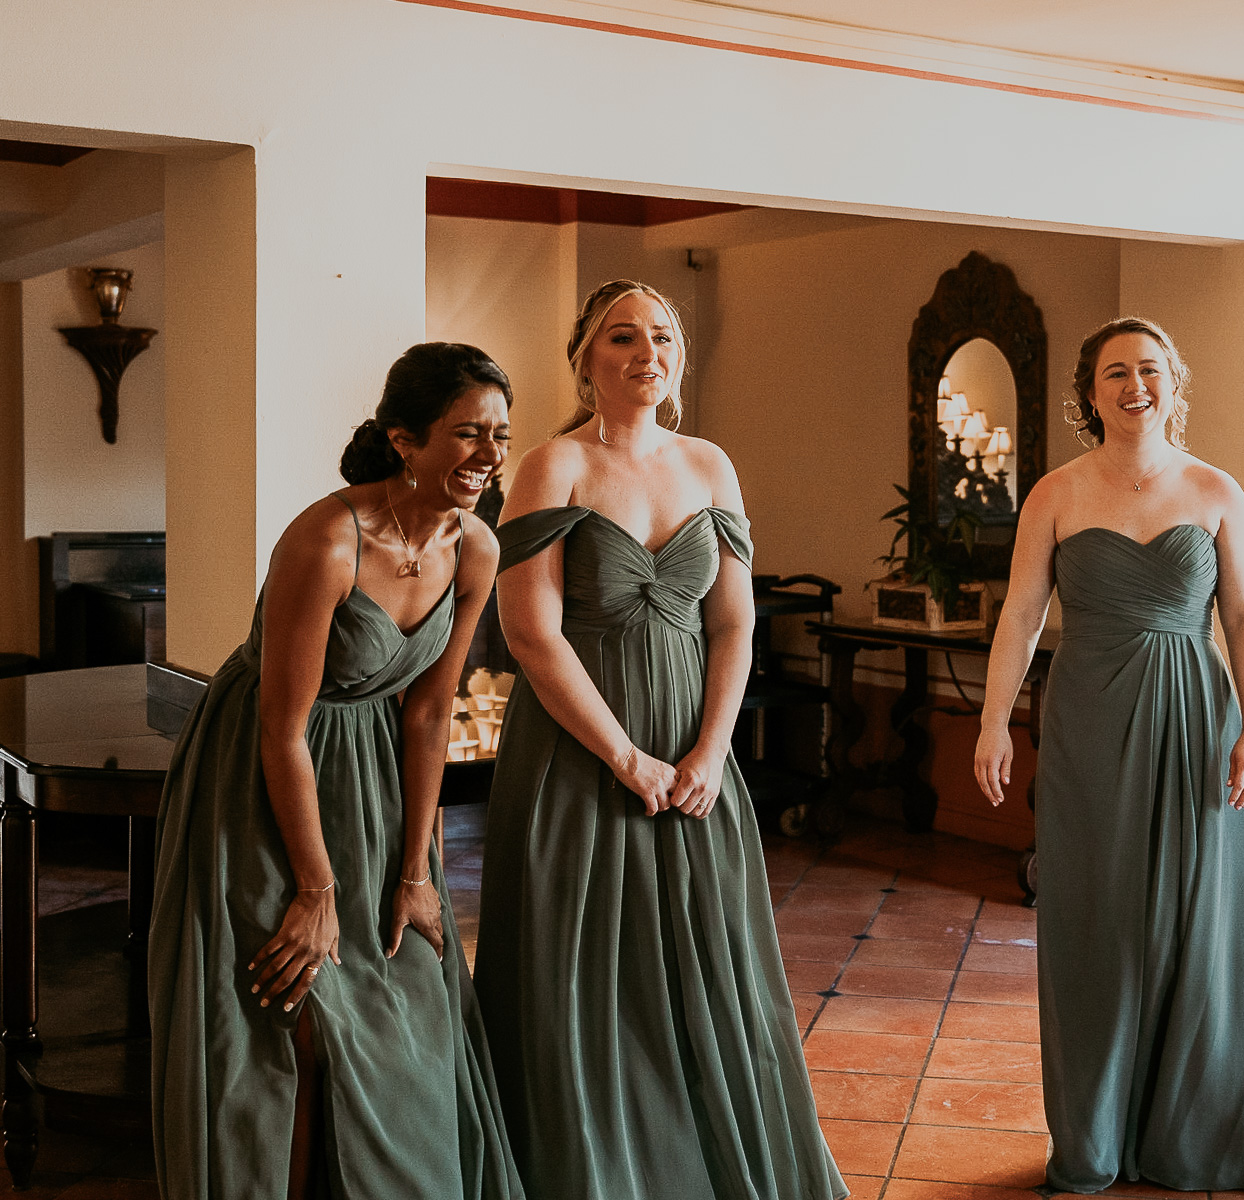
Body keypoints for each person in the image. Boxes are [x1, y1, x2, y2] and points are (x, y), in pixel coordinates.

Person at [472, 280, 846, 1200]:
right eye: (622, 337)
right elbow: (529, 633)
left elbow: (733, 625)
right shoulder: (551, 466)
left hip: (692, 739)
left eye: (664, 338)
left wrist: (712, 750)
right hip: (575, 743)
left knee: (705, 957)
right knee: (580, 961)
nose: (647, 352)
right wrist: (621, 754)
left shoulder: (712, 467)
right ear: (585, 358)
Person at [149, 343, 523, 1199]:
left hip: (376, 779)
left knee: (402, 1000)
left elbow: (429, 713)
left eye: (500, 435)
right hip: (261, 773)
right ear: (405, 439)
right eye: (467, 434)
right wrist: (317, 891)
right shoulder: (326, 539)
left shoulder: (477, 550)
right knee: (291, 1012)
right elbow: (282, 729)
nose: (489, 455)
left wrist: (416, 870)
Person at [973, 316, 1244, 1195]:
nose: (1136, 385)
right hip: (1087, 719)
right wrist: (992, 721)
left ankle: (1191, 1128)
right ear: (1089, 393)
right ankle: (1094, 1137)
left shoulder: (1215, 491)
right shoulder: (1055, 493)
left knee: (1196, 919)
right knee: (1095, 923)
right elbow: (1020, 615)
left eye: (1151, 370)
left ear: (1176, 382)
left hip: (1197, 721)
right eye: (1116, 373)